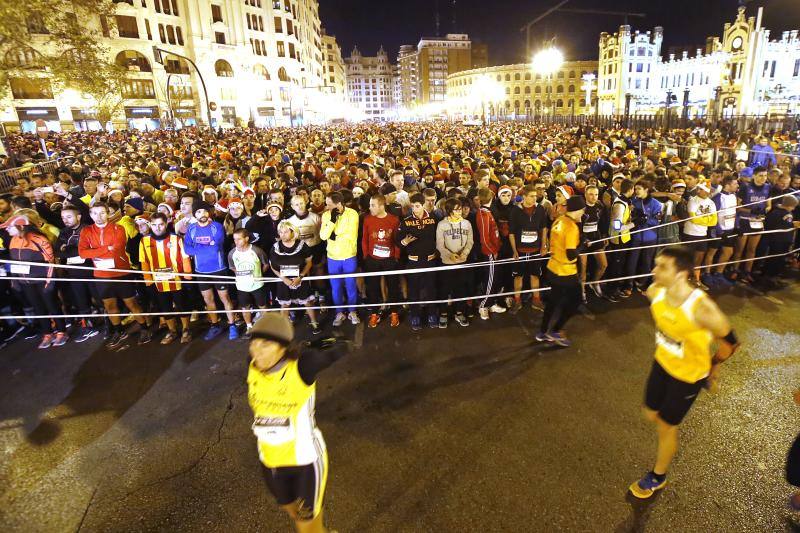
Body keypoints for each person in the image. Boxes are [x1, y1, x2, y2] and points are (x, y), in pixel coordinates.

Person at [629, 245, 739, 499]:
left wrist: (714, 366)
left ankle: (658, 476)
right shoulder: (654, 291)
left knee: (667, 427)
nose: (654, 270)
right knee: (650, 413)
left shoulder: (702, 309)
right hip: (662, 364)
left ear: (681, 274)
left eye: (662, 267)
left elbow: (730, 343)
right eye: (656, 264)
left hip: (689, 376)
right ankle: (667, 424)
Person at [247, 313, 349, 533]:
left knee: (306, 526)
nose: (257, 351)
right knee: (289, 509)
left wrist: (329, 343)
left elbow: (341, 347)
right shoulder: (252, 366)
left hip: (305, 463)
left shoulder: (302, 368)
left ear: (283, 347)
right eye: (254, 343)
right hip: (270, 462)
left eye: (266, 344)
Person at [78, 202, 150, 348]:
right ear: (90, 215)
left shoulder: (119, 228)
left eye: (102, 213)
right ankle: (118, 331)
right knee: (109, 305)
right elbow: (82, 253)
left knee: (132, 303)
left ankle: (144, 328)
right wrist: (106, 249)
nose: (99, 216)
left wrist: (96, 251)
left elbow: (117, 249)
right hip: (101, 275)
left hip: (121, 272)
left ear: (108, 213)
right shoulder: (86, 231)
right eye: (95, 213)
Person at [2, 215, 68, 349]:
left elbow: (50, 262)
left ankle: (62, 331)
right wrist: (15, 281)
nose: (7, 230)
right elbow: (14, 262)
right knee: (38, 308)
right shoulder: (13, 240)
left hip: (42, 281)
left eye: (9, 227)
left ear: (21, 226)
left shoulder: (39, 239)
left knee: (52, 306)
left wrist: (49, 282)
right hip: (26, 283)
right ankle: (47, 333)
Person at [535, 196, 586, 347]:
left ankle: (543, 332)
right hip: (566, 271)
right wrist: (582, 245)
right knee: (576, 300)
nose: (583, 213)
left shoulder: (559, 219)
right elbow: (571, 254)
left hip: (553, 267)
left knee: (553, 301)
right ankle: (556, 330)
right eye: (582, 210)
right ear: (577, 210)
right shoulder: (571, 227)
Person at [184, 201, 237, 340]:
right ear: (195, 214)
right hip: (201, 271)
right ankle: (215, 325)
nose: (202, 214)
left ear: (209, 212)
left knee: (225, 298)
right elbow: (187, 249)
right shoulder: (191, 229)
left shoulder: (217, 226)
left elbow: (216, 246)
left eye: (205, 211)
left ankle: (232, 325)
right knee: (208, 300)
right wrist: (206, 245)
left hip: (219, 269)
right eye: (199, 212)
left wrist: (198, 248)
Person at [139, 212, 194, 344]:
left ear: (166, 224)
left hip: (177, 280)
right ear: (150, 225)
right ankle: (172, 331)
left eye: (161, 224)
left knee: (182, 305)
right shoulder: (144, 241)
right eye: (154, 225)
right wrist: (148, 281)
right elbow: (144, 262)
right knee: (164, 307)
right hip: (158, 282)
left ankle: (186, 329)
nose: (157, 228)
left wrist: (188, 276)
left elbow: (185, 258)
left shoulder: (176, 239)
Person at [268, 221, 321, 335]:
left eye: (286, 232)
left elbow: (309, 262)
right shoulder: (275, 247)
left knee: (307, 302)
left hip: (300, 279)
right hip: (284, 281)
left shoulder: (302, 245)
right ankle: (284, 327)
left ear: (292, 232)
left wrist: (301, 276)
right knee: (285, 304)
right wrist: (284, 279)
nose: (283, 234)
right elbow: (273, 266)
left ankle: (314, 322)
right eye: (280, 232)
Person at [398, 192, 438, 330]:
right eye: (413, 206)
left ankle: (432, 314)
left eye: (417, 206)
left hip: (431, 260)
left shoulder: (433, 218)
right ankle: (414, 315)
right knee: (413, 290)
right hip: (413, 261)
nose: (415, 209)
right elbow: (398, 241)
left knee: (432, 288)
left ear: (423, 205)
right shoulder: (406, 221)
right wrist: (404, 241)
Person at [319, 191, 360, 327]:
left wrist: (334, 234)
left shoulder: (352, 213)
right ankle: (339, 312)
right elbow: (323, 236)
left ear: (339, 204)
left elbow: (351, 234)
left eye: (329, 205)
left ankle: (352, 311)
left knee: (351, 285)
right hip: (333, 257)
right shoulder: (326, 215)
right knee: (336, 288)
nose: (327, 207)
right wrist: (332, 221)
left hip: (349, 256)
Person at [361, 193, 402, 328]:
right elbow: (365, 239)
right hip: (372, 259)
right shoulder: (367, 219)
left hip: (390, 259)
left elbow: (397, 240)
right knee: (372, 287)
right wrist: (366, 255)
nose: (370, 207)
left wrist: (396, 256)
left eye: (373, 205)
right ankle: (374, 313)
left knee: (393, 286)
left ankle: (394, 312)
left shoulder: (394, 220)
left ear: (381, 206)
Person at [508, 185, 549, 313]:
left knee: (535, 275)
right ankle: (517, 300)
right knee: (518, 277)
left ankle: (536, 300)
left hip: (535, 249)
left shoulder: (540, 209)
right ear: (524, 197)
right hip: (520, 250)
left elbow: (543, 228)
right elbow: (512, 233)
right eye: (532, 196)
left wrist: (543, 246)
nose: (534, 198)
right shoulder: (515, 211)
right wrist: (514, 250)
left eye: (535, 196)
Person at [435, 197, 473, 328]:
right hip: (446, 262)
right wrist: (449, 255)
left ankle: (459, 312)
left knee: (460, 288)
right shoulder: (442, 225)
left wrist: (464, 253)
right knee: (445, 289)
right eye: (456, 209)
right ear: (450, 211)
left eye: (460, 209)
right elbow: (440, 244)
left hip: (462, 262)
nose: (460, 211)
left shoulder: (467, 223)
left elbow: (470, 241)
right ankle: (443, 314)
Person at [228, 228, 271, 337]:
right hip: (242, 286)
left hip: (257, 285)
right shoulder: (232, 253)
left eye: (239, 239)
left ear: (246, 238)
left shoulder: (257, 251)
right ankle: (249, 326)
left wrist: (259, 274)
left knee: (262, 306)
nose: (236, 242)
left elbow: (266, 264)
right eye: (234, 239)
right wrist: (241, 274)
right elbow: (232, 267)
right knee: (245, 308)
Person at [474, 187, 507, 320]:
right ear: (491, 198)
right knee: (490, 279)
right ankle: (483, 305)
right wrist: (492, 251)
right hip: (489, 252)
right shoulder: (483, 214)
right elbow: (484, 238)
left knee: (494, 279)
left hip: (493, 250)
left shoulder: (487, 212)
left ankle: (491, 303)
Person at [681, 181, 718, 288]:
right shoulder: (693, 201)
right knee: (687, 258)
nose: (699, 191)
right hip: (690, 233)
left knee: (699, 258)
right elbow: (692, 218)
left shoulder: (711, 203)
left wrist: (700, 219)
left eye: (702, 189)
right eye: (700, 189)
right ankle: (683, 280)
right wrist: (707, 219)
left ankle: (696, 279)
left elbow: (714, 221)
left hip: (702, 234)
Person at [579, 184, 609, 301]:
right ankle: (582, 291)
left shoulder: (600, 206)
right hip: (583, 242)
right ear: (585, 194)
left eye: (596, 194)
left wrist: (605, 236)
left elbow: (603, 222)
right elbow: (577, 226)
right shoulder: (581, 208)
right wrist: (583, 239)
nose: (594, 197)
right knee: (583, 270)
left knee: (603, 265)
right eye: (591, 194)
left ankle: (595, 283)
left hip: (596, 238)